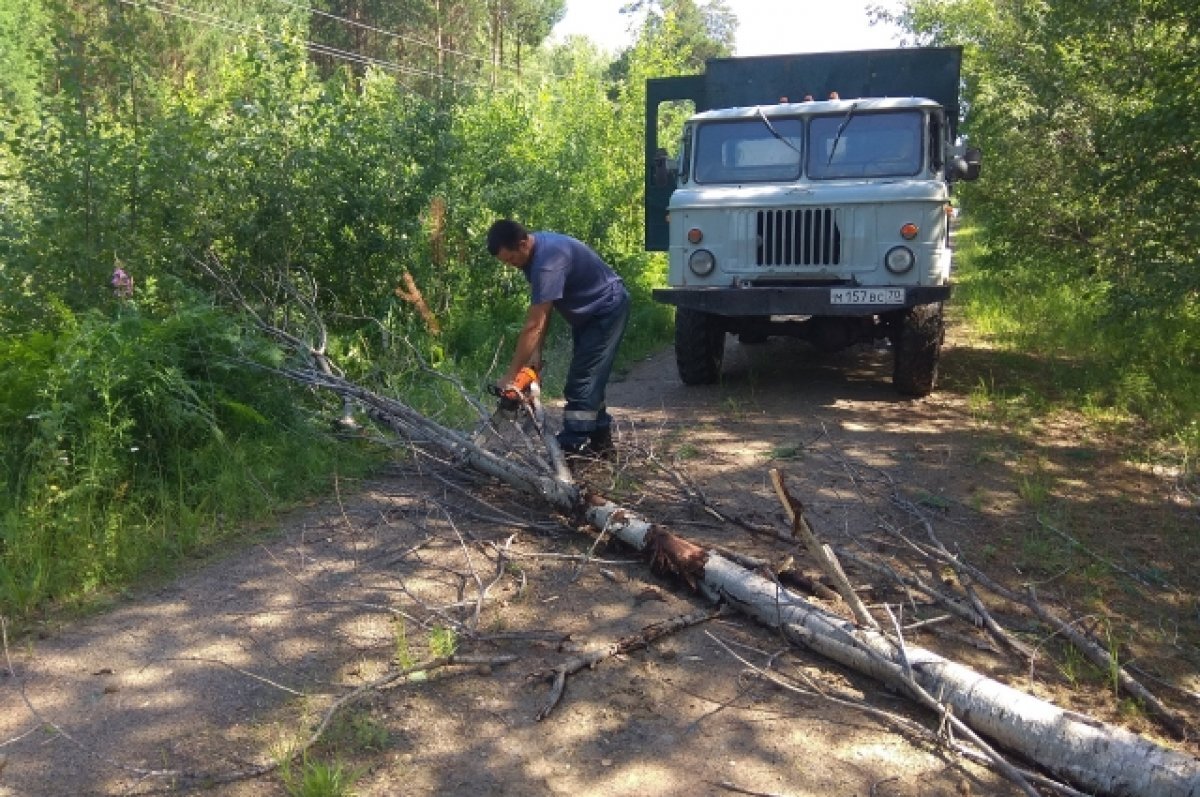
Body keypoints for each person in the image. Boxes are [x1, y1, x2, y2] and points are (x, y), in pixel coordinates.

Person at [485, 219, 630, 456]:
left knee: (581, 381)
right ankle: (602, 445)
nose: (511, 265)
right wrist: (535, 357)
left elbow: (533, 326)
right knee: (591, 379)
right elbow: (545, 310)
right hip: (588, 313)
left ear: (522, 244)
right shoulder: (534, 252)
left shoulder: (547, 263)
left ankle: (573, 447)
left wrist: (511, 376)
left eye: (511, 260)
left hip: (606, 309)